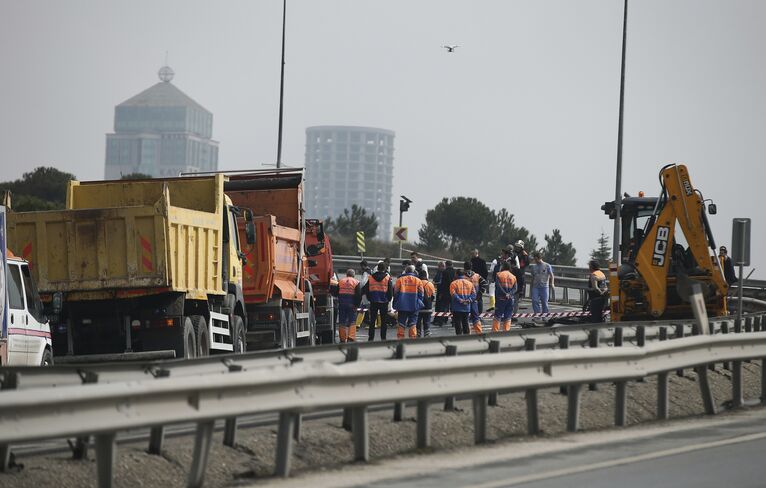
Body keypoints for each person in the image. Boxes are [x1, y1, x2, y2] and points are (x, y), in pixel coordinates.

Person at [363, 261, 393, 341]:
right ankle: (383, 338)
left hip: (373, 301)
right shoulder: (387, 278)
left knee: (372, 321)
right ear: (384, 269)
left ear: (378, 268)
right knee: (383, 321)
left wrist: (369, 298)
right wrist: (388, 299)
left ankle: (371, 338)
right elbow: (390, 291)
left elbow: (366, 289)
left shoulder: (371, 277)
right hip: (384, 301)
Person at [393, 265, 424, 339]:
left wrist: (396, 304)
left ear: (405, 271)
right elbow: (421, 294)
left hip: (402, 305)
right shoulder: (418, 280)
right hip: (414, 305)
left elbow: (395, 293)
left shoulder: (399, 280)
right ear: (413, 271)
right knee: (413, 323)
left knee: (401, 323)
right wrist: (419, 302)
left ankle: (400, 339)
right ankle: (413, 339)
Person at [335, 269, 361, 342]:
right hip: (352, 303)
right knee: (352, 320)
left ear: (346, 274)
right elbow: (358, 295)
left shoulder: (341, 281)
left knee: (342, 321)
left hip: (342, 303)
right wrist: (356, 305)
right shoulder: (356, 282)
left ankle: (342, 338)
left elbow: (336, 293)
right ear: (353, 275)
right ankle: (351, 337)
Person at [464, 260, 488, 333]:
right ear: (472, 267)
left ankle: (467, 333)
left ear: (464, 267)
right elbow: (484, 284)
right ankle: (479, 332)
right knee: (475, 317)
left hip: (465, 299)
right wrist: (479, 294)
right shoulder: (477, 275)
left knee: (465, 317)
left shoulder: (462, 276)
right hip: (474, 299)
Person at [450, 269, 476, 335]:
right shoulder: (470, 283)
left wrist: (460, 300)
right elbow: (474, 294)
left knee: (457, 323)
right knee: (465, 322)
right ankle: (466, 337)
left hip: (456, 307)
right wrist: (468, 300)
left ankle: (459, 337)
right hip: (466, 307)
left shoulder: (453, 283)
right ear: (464, 275)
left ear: (456, 274)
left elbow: (453, 294)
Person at [493, 261, 517, 331]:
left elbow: (498, 286)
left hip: (500, 298)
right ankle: (506, 331)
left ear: (503, 267)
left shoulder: (499, 274)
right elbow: (515, 288)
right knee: (508, 316)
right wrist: (509, 294)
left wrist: (504, 293)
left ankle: (495, 331)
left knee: (497, 316)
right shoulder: (513, 277)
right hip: (510, 299)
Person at [434, 260, 456, 326]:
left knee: (444, 307)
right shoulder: (455, 272)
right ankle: (454, 321)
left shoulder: (445, 272)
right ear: (452, 265)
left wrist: (441, 293)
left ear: (446, 265)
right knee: (452, 307)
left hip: (446, 292)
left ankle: (441, 321)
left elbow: (443, 283)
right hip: (453, 292)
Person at [417, 269, 435, 337]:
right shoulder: (430, 284)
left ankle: (418, 332)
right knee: (427, 320)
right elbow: (433, 296)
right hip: (428, 306)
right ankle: (426, 333)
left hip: (418, 306)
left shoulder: (417, 283)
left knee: (418, 320)